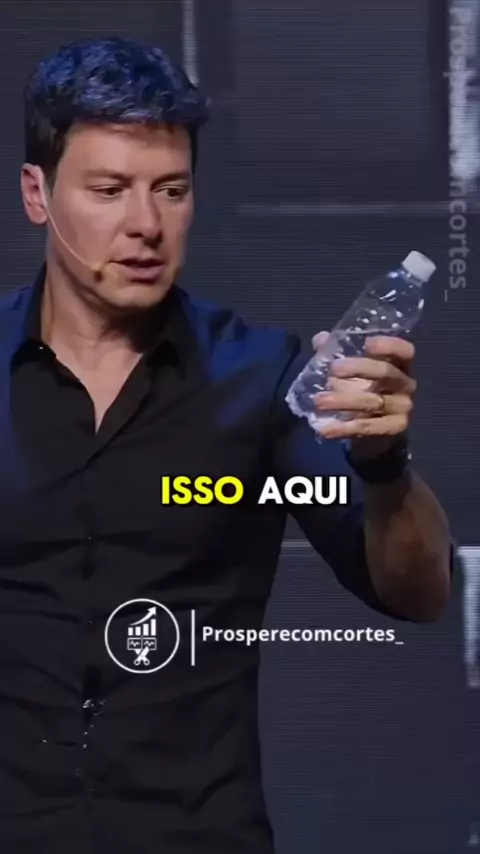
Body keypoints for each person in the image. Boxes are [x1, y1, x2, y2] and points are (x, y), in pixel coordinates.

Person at [0, 36, 452, 854]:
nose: (146, 225)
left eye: (171, 191)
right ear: (38, 193)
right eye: (109, 190)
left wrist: (385, 464)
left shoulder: (263, 376)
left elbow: (417, 593)